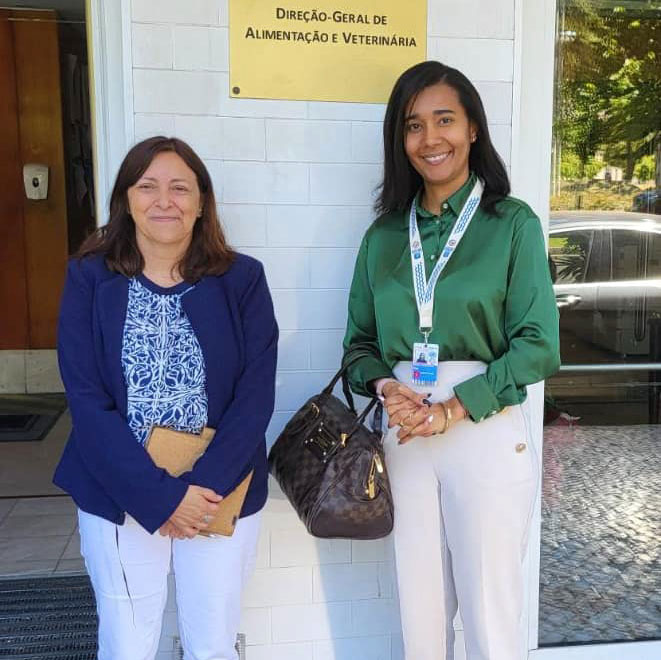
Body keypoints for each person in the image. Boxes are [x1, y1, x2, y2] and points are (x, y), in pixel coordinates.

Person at [343, 61, 560, 660]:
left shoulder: (510, 224)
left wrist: (455, 410)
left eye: (445, 120)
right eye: (414, 125)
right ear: (400, 139)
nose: (430, 138)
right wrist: (387, 386)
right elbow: (357, 347)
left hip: (483, 427)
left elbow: (540, 344)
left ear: (471, 131)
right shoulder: (384, 237)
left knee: (491, 613)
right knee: (420, 611)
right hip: (405, 431)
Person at [53, 136, 278, 660]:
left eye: (180, 188)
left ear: (202, 203)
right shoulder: (88, 278)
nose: (164, 200)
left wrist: (199, 493)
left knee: (211, 644)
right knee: (127, 645)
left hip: (217, 494)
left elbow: (255, 396)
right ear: (126, 199)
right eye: (147, 186)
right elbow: (86, 400)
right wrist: (160, 499)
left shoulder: (242, 279)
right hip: (117, 489)